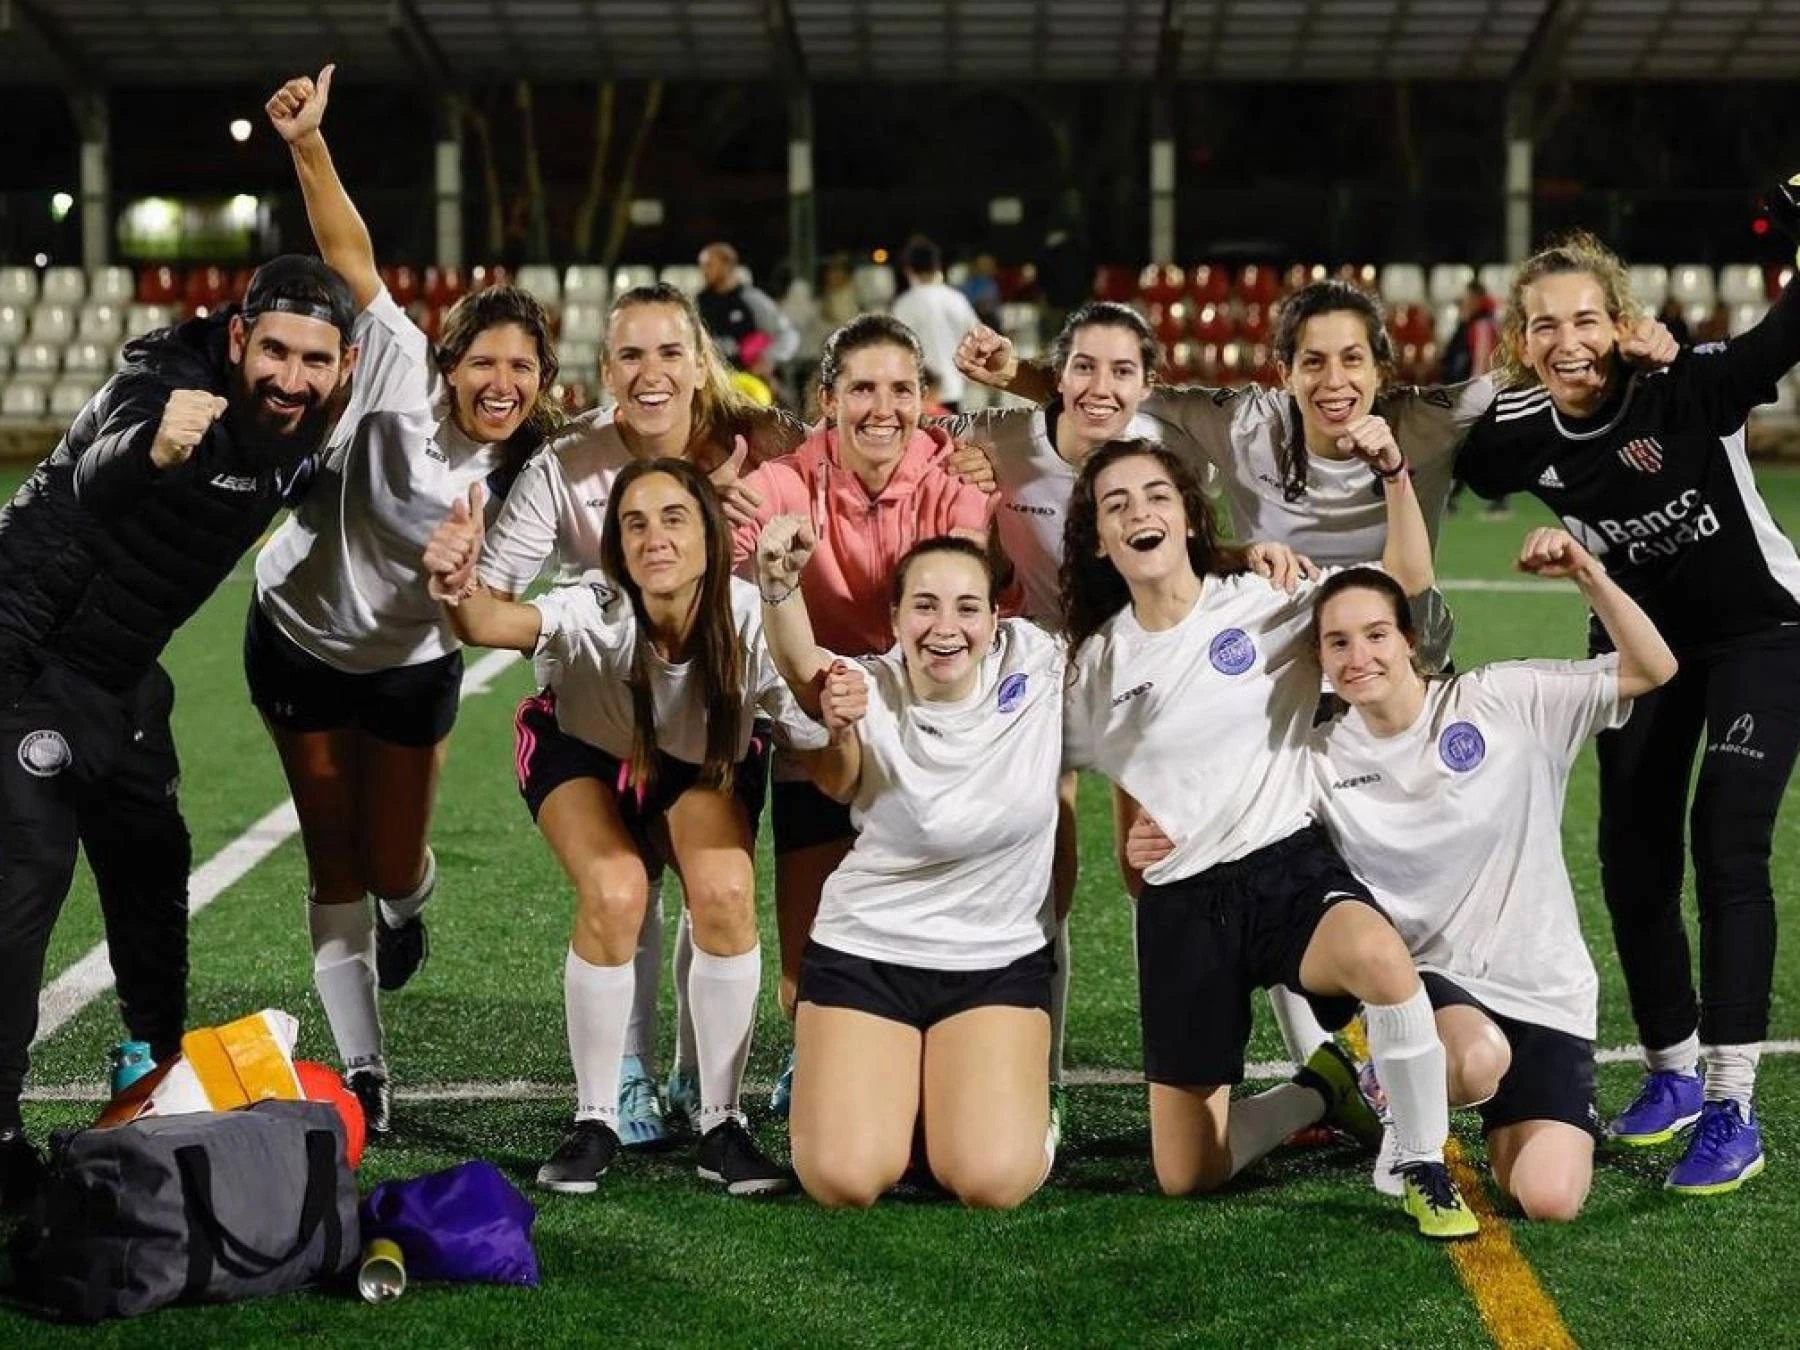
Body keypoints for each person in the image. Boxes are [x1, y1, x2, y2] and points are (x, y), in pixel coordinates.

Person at [956, 284, 1676, 1069]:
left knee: (1404, 854)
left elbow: (1540, 371)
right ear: (1283, 372)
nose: (1334, 380)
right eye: (1313, 361)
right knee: (1254, 852)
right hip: (1284, 666)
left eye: (1353, 360)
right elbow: (1115, 395)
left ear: (1383, 368)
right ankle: (1334, 1064)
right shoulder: (1240, 422)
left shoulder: (1427, 417)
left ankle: (1444, 1032)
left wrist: (1638, 350)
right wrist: (1025, 375)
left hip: (1398, 670)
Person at [0, 251, 359, 1207]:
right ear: (237, 338)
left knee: (153, 865)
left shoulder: (313, 421)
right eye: (272, 351)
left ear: (344, 367)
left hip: (120, 675)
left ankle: (153, 1072)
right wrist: (153, 449)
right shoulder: (166, 381)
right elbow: (97, 474)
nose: (290, 378)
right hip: (24, 658)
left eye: (314, 361)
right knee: (22, 889)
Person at [1061, 437, 1477, 1240]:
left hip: (1284, 868)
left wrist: (1395, 476)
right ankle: (1323, 1089)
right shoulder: (1097, 664)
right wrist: (1130, 852)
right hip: (1182, 903)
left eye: (1155, 496)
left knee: (1384, 962)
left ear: (1187, 516)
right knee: (1188, 1173)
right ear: (1099, 541)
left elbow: (1398, 585)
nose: (1138, 513)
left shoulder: (1261, 597)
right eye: (1116, 506)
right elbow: (1122, 772)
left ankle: (1424, 1158)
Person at [1457, 223, 1800, 1194]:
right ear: (1520, 342)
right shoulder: (1517, 434)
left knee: (1725, 841)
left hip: (1760, 635)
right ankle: (1672, 1077)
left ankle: (1734, 1103)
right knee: (1630, 856)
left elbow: (1785, 335)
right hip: (1642, 651)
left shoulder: (1687, 385)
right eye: (1542, 325)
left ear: (1620, 322)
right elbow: (1440, 455)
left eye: (1584, 318)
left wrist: (1687, 343)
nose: (1566, 340)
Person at [250, 68, 562, 1135]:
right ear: (454, 358)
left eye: (523, 366)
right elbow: (347, 256)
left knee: (391, 862)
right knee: (330, 850)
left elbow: (494, 604)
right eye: (487, 357)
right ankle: (368, 1069)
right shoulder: (388, 363)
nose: (502, 379)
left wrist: (464, 582)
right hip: (295, 637)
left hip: (408, 668)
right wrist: (307, 144)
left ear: (538, 382)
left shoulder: (526, 477)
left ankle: (408, 906)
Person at [425, 280, 806, 1146]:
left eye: (671, 351)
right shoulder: (568, 464)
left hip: (713, 710)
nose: (651, 372)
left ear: (700, 360)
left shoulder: (764, 441)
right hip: (602, 705)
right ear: (605, 369)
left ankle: (704, 1085)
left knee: (717, 884)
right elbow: (492, 600)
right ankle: (623, 1075)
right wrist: (458, 580)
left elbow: (858, 455)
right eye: (630, 354)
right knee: (623, 885)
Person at [1304, 536, 1677, 1220]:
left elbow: (1654, 668)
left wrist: (1588, 574)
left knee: (1549, 1199)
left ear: (1411, 639)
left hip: (1544, 988)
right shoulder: (1317, 756)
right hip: (1427, 988)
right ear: (1320, 661)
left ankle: (1360, 1085)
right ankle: (1393, 1088)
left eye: (1377, 634)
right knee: (1475, 1059)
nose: (1360, 657)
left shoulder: (1504, 700)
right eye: (1338, 643)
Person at [730, 314, 996, 1117]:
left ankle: (947, 1048)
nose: (883, 408)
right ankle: (817, 1043)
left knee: (937, 918)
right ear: (828, 398)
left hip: (922, 735)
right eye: (862, 389)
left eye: (902, 389)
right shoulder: (787, 481)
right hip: (819, 725)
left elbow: (955, 612)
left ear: (925, 398)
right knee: (804, 957)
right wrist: (734, 522)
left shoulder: (957, 487)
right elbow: (747, 538)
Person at [756, 526, 1062, 1209]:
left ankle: (977, 1106)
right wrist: (779, 588)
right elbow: (809, 686)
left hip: (992, 962)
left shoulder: (1037, 665)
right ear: (893, 619)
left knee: (993, 1182)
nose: (944, 627)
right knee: (843, 1181)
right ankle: (905, 1100)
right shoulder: (866, 686)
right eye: (923, 606)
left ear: (996, 617)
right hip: (866, 950)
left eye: (966, 607)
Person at [890, 236, 981, 414]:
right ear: (938, 267)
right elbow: (977, 339)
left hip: (918, 395)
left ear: (908, 270)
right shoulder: (957, 299)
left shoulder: (903, 305)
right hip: (954, 390)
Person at [696, 241, 800, 370]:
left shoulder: (751, 299)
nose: (703, 270)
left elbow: (787, 334)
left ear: (727, 265)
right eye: (702, 266)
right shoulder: (699, 302)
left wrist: (769, 357)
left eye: (709, 265)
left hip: (747, 377)